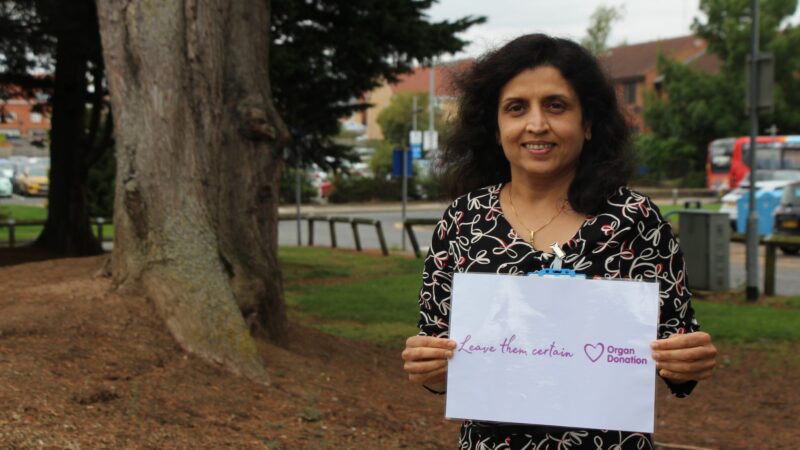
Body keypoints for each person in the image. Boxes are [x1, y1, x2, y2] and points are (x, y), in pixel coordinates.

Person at [400, 34, 717, 449]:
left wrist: (688, 361)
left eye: (556, 105)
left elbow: (677, 363)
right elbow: (440, 352)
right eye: (516, 108)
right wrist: (429, 368)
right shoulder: (461, 222)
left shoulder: (635, 221)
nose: (536, 124)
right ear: (495, 128)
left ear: (588, 123)